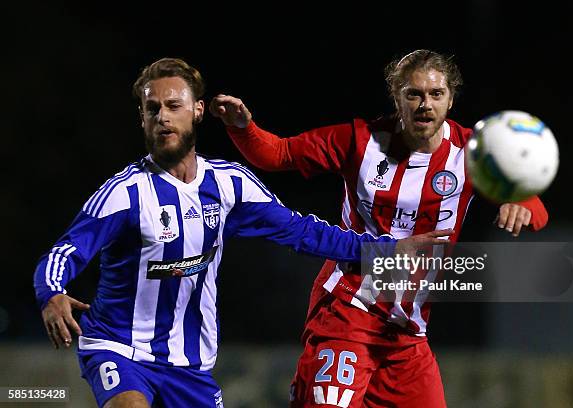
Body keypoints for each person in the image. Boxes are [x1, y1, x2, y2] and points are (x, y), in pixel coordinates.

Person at [32, 58, 449, 408]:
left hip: (189, 365)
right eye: (152, 108)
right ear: (141, 117)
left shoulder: (229, 185)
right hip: (119, 348)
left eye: (173, 105)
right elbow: (66, 252)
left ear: (197, 111)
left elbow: (302, 232)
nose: (162, 116)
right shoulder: (125, 193)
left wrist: (385, 249)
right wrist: (50, 293)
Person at [210, 49, 549, 407]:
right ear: (396, 97)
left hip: (407, 334)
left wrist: (519, 204)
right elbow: (278, 154)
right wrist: (242, 128)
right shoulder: (360, 141)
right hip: (347, 315)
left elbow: (536, 210)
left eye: (436, 94)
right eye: (413, 94)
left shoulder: (473, 154)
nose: (425, 105)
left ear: (450, 100)